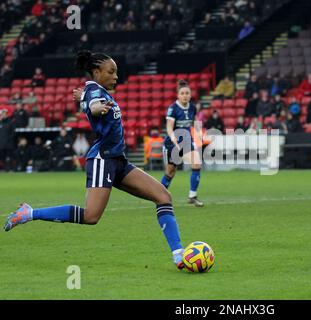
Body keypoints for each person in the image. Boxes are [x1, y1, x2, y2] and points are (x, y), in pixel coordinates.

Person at [3, 50, 187, 271]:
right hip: (102, 160)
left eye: (116, 72)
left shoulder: (93, 90)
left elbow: (88, 99)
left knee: (163, 196)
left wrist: (83, 98)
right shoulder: (94, 92)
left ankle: (179, 255)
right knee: (91, 216)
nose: (116, 76)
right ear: (97, 72)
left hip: (118, 160)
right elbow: (94, 105)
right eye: (111, 72)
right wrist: (94, 106)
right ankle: (29, 213)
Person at [161, 79, 205, 207]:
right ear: (178, 95)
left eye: (187, 93)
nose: (185, 95)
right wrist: (173, 137)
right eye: (182, 93)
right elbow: (169, 127)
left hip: (186, 141)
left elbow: (196, 121)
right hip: (172, 143)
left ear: (190, 95)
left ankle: (192, 196)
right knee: (170, 172)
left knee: (196, 164)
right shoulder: (173, 108)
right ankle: (158, 195)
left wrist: (199, 132)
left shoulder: (192, 107)